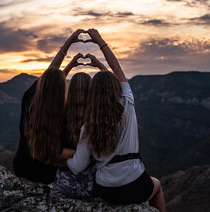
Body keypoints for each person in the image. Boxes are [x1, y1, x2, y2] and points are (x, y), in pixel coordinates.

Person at [66, 29, 166, 212]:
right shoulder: (127, 105)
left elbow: (77, 166)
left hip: (106, 190)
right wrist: (100, 42)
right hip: (135, 184)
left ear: (93, 93)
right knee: (157, 185)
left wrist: (63, 158)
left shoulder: (88, 125)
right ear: (117, 90)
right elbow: (117, 71)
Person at [12, 29, 85, 184]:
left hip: (22, 167)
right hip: (46, 174)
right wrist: (85, 153)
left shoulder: (29, 100)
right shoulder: (62, 117)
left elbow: (50, 76)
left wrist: (67, 45)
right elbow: (59, 152)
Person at [55, 54, 107, 198]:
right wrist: (101, 67)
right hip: (93, 185)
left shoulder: (59, 115)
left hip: (64, 184)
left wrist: (71, 64)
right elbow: (118, 89)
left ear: (70, 90)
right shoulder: (99, 117)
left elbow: (48, 86)